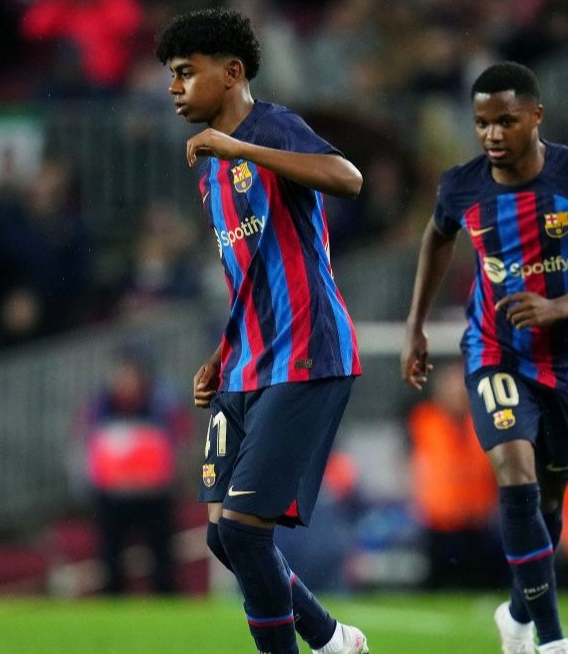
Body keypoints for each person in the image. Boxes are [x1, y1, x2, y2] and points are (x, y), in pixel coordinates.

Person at [401, 62, 568, 654]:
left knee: (550, 501)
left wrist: (560, 307)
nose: (492, 134)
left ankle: (516, 614)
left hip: (567, 363)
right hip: (494, 351)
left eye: (506, 121)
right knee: (515, 476)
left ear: (536, 116)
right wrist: (416, 326)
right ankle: (552, 641)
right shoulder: (462, 186)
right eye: (481, 122)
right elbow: (437, 236)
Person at [155, 9, 368, 654]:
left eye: (186, 72)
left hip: (306, 354)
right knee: (223, 536)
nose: (174, 87)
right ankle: (331, 639)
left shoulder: (270, 128)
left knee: (246, 531)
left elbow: (349, 178)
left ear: (231, 72)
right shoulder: (209, 171)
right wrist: (221, 351)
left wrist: (241, 148)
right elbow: (250, 273)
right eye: (171, 75)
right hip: (246, 360)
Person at [76, 349, 187, 595]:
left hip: (154, 494)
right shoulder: (99, 408)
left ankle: (165, 599)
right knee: (110, 554)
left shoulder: (160, 405)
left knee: (162, 555)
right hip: (112, 495)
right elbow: (85, 445)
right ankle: (112, 598)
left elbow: (178, 441)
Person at [405, 359, 503, 589]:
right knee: (440, 584)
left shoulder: (482, 422)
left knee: (479, 583)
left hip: (476, 521)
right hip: (439, 522)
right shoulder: (424, 420)